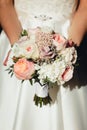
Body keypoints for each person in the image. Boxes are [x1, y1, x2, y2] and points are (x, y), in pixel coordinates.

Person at [0, 0, 87, 130]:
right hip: (19, 33)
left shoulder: (68, 47)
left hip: (68, 36)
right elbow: (4, 4)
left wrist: (67, 51)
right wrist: (21, 49)